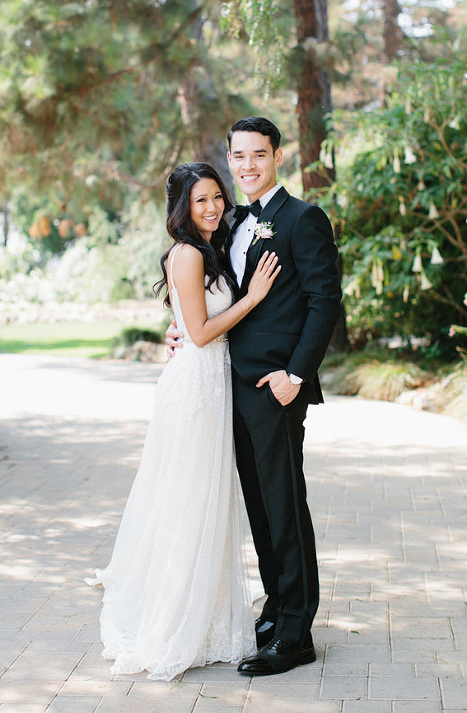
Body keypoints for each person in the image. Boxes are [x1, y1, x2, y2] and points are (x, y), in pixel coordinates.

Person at [87, 162, 280, 681]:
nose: (214, 207)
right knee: (188, 500)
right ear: (182, 208)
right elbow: (197, 333)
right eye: (201, 201)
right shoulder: (189, 253)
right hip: (195, 387)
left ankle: (209, 616)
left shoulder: (209, 249)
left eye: (218, 197)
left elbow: (188, 324)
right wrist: (254, 298)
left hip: (212, 384)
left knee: (208, 502)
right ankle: (174, 624)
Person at [168, 116, 342, 676]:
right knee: (261, 509)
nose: (248, 166)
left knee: (285, 506)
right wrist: (179, 329)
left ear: (278, 157)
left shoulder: (302, 219)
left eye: (259, 156)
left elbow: (323, 302)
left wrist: (296, 373)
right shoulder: (233, 220)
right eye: (238, 157)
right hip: (228, 387)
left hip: (275, 389)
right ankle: (276, 608)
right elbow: (205, 294)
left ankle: (296, 634)